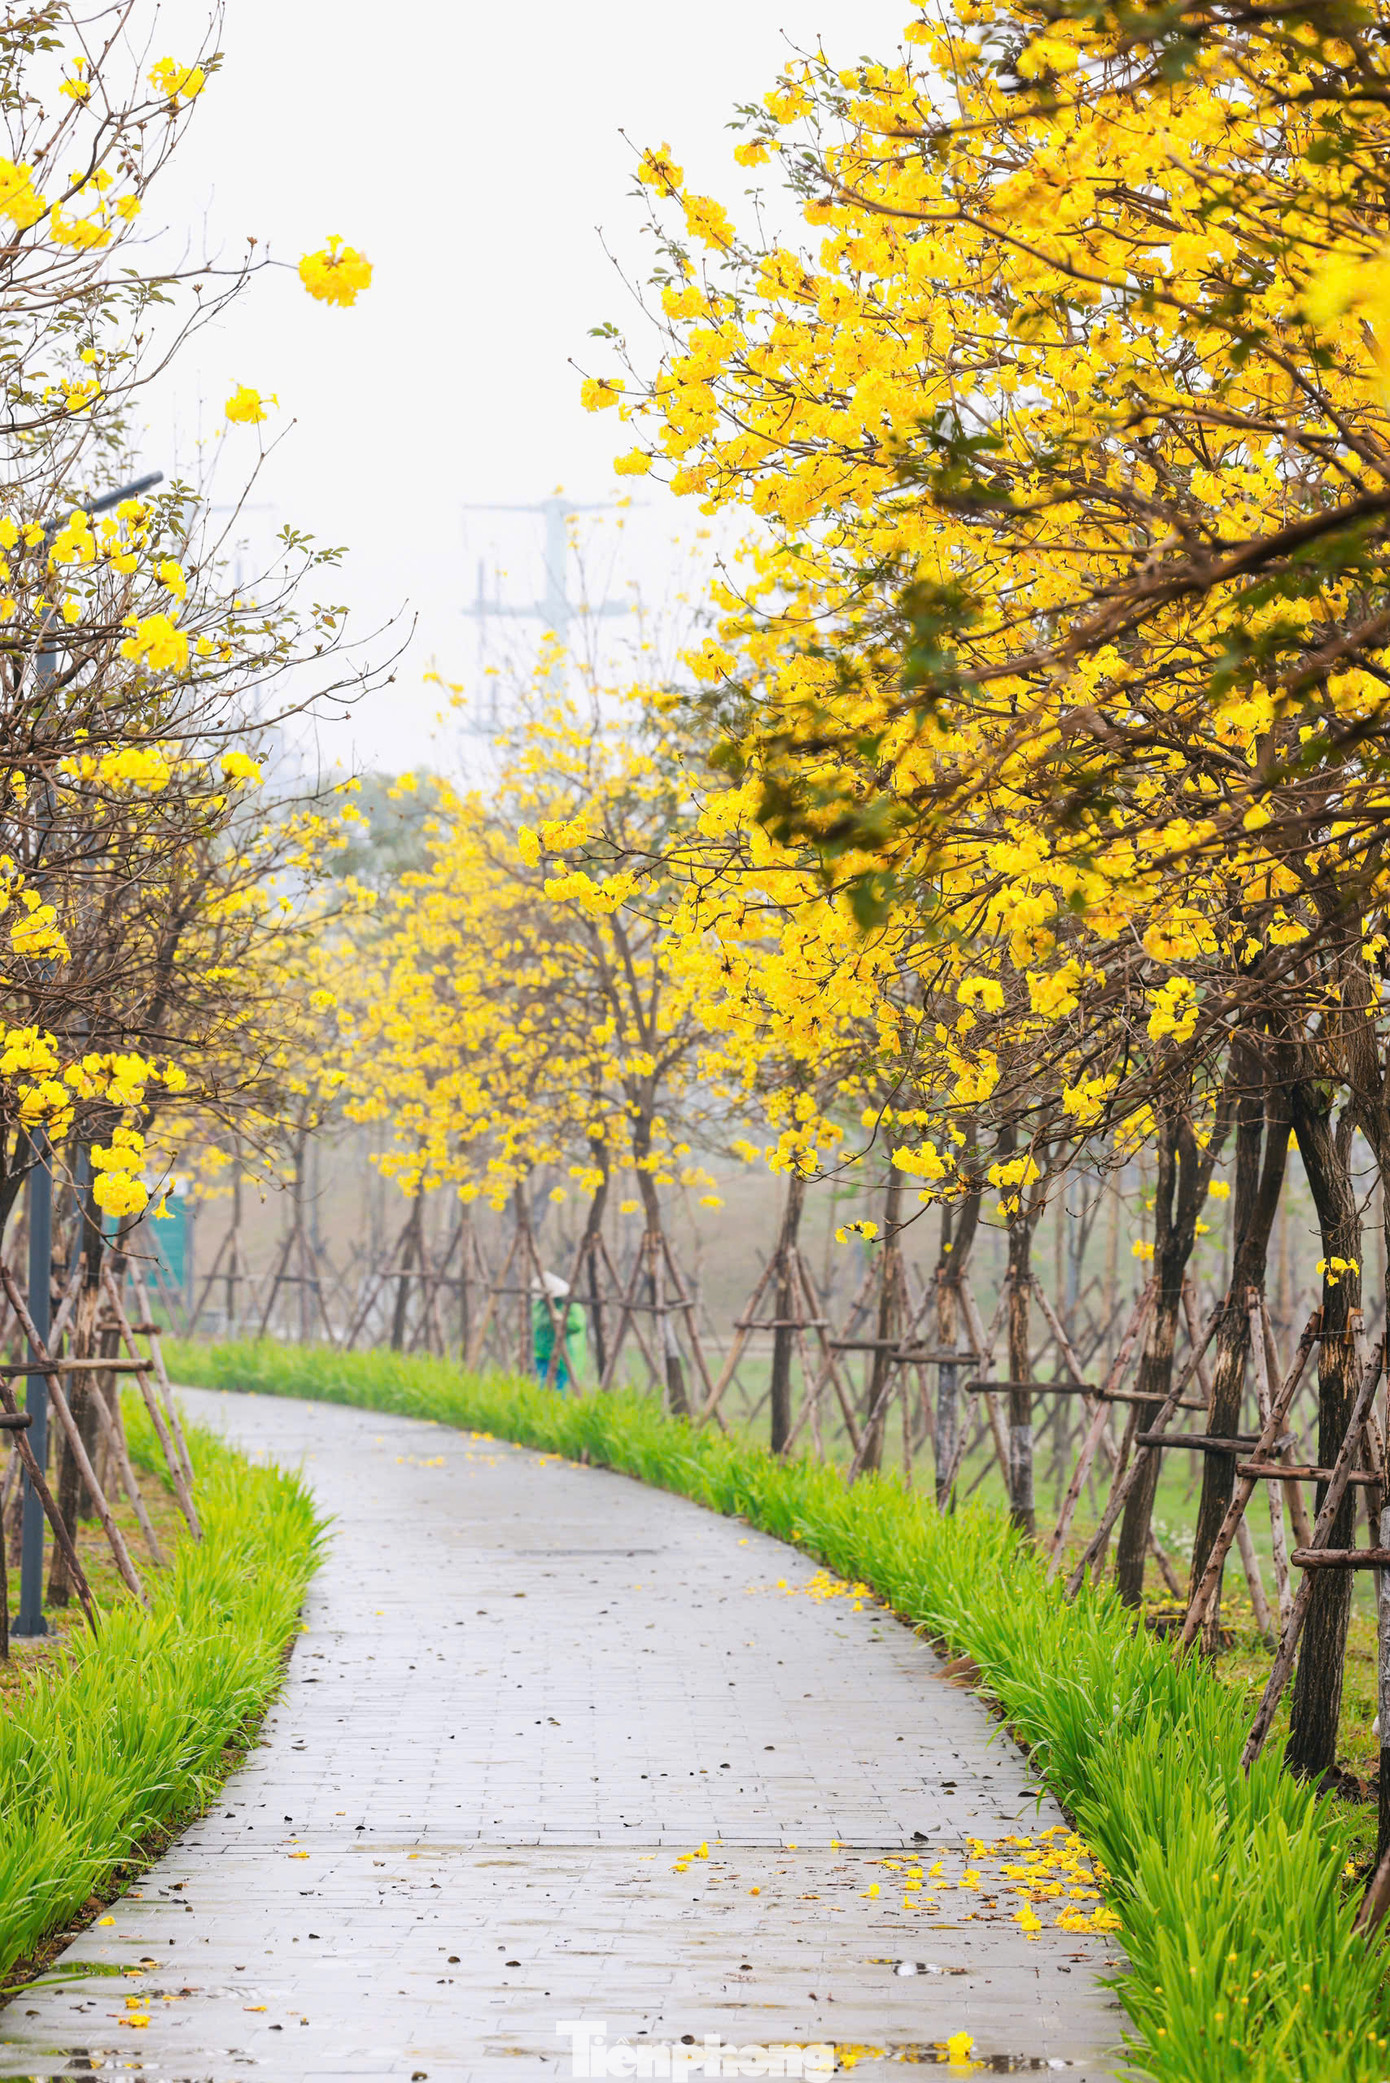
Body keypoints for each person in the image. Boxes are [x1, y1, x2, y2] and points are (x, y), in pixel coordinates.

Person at [531, 1270, 587, 1393]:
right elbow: (537, 1324)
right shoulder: (539, 1305)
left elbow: (577, 1325)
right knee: (543, 1386)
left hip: (564, 1354)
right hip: (542, 1353)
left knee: (560, 1389)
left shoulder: (569, 1305)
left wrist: (562, 1320)